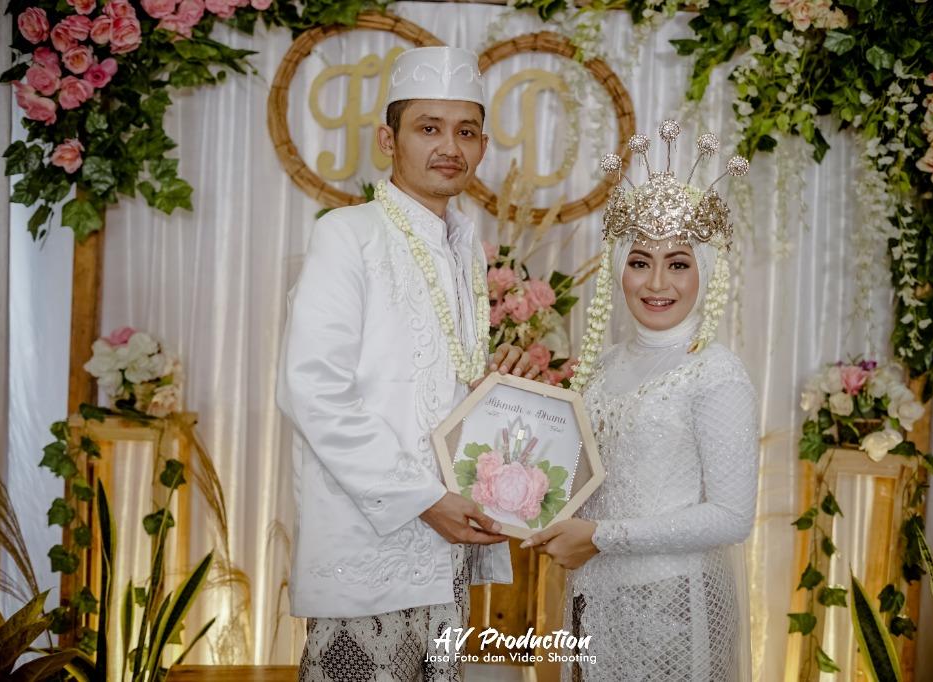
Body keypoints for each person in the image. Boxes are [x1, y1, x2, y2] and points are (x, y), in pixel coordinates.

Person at [277, 46, 538, 682]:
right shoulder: (348, 234)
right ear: (387, 140)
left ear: (482, 147)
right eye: (429, 128)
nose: (450, 147)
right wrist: (423, 500)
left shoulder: (465, 248)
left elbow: (428, 384)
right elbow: (312, 390)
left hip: (447, 546)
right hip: (372, 544)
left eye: (466, 131)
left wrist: (491, 392)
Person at [521, 124, 758, 681]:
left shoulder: (715, 373)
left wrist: (601, 538)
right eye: (639, 261)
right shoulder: (604, 366)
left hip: (674, 603)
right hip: (593, 598)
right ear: (618, 267)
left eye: (678, 263)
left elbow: (732, 517)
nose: (656, 283)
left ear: (705, 268)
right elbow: (585, 481)